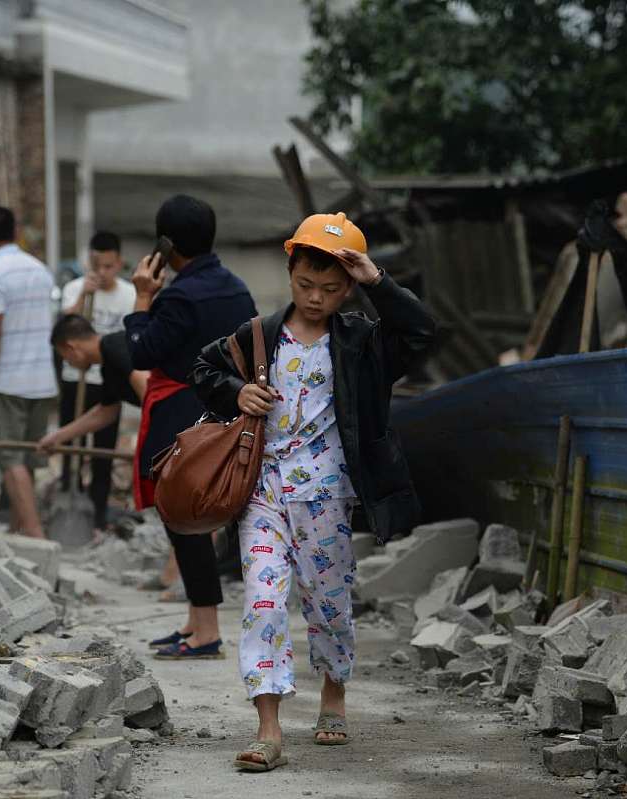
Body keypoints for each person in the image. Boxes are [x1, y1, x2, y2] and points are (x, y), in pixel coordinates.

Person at [192, 212, 435, 770]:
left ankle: (333, 692)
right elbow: (203, 369)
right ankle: (269, 729)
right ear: (291, 271)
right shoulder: (260, 336)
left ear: (348, 287)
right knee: (263, 601)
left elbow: (422, 331)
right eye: (305, 284)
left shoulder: (363, 345)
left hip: (328, 496)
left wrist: (379, 282)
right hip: (264, 493)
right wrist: (237, 393)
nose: (315, 297)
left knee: (328, 605)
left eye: (330, 288)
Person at [125, 194, 257, 660]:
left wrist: (142, 297)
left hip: (183, 416)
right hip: (226, 411)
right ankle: (196, 621)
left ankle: (206, 632)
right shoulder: (236, 288)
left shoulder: (179, 296)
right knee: (192, 522)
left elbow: (140, 352)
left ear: (167, 244)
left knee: (185, 521)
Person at [0, 206, 58, 539]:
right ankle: (20, 527)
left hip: (8, 380)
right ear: (15, 229)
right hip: (42, 379)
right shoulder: (40, 269)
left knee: (10, 459)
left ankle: (36, 537)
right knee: (28, 459)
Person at [58, 231, 136, 530]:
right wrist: (82, 296)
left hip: (108, 380)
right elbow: (65, 328)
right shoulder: (75, 288)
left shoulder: (129, 294)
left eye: (108, 266)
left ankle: (99, 512)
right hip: (75, 378)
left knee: (103, 449)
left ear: (118, 263)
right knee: (70, 444)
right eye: (96, 265)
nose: (102, 273)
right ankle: (68, 500)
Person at [38, 314, 148, 469]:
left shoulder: (114, 345)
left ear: (71, 348)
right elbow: (106, 412)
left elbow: (148, 389)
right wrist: (58, 436)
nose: (69, 363)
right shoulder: (108, 366)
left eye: (65, 357)